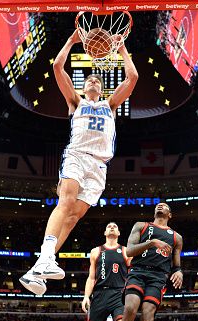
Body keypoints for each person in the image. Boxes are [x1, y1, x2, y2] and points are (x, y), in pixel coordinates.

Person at [19, 29, 138, 295]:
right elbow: (57, 66)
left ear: (102, 87)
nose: (94, 82)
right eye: (89, 80)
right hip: (77, 155)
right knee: (66, 202)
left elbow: (133, 77)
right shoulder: (75, 101)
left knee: (73, 218)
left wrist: (121, 49)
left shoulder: (110, 105)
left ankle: (38, 268)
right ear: (84, 87)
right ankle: (47, 256)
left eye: (97, 80)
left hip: (99, 167)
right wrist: (72, 40)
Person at [108, 203, 184, 321]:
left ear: (170, 214)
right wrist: (151, 243)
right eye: (159, 205)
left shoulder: (176, 237)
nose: (161, 206)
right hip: (138, 272)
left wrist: (179, 272)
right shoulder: (141, 226)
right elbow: (129, 251)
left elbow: (176, 264)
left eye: (165, 206)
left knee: (148, 314)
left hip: (158, 277)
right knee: (130, 309)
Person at [81, 222, 131, 321]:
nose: (111, 227)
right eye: (109, 226)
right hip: (100, 294)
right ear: (104, 232)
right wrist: (86, 296)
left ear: (119, 233)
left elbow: (133, 273)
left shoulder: (125, 251)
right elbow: (91, 277)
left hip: (119, 293)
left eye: (115, 226)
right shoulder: (96, 251)